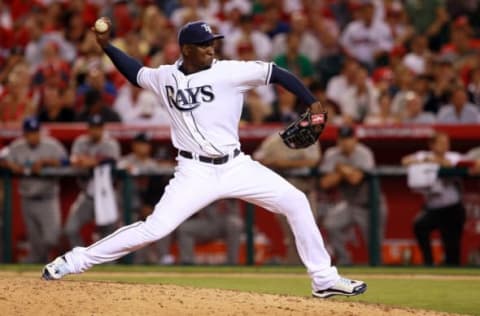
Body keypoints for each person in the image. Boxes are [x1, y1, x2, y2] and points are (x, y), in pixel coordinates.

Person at [42, 19, 366, 298]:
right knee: (154, 229)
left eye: (213, 42)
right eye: (203, 44)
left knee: (296, 201)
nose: (211, 48)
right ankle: (73, 261)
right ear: (186, 50)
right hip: (194, 170)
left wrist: (314, 103)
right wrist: (106, 46)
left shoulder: (230, 72)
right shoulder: (165, 76)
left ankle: (324, 280)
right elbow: (135, 72)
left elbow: (278, 73)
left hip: (236, 165)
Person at [319, 126, 386, 265]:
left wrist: (339, 169)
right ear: (338, 141)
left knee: (374, 243)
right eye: (342, 139)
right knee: (331, 225)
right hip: (349, 204)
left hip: (371, 206)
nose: (345, 142)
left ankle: (377, 269)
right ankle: (344, 260)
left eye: (349, 139)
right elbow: (325, 183)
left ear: (355, 139)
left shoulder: (364, 153)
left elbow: (355, 179)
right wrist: (346, 172)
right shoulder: (332, 154)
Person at [4, 117, 68, 262]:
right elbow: (2, 158)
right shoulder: (17, 147)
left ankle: (58, 261)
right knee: (35, 241)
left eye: (36, 132)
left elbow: (66, 161)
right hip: (28, 199)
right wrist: (11, 165)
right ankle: (39, 274)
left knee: (52, 237)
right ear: (25, 134)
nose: (33, 135)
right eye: (30, 132)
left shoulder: (51, 145)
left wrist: (46, 162)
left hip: (48, 198)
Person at [253, 128, 321, 264]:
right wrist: (275, 162)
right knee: (291, 235)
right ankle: (294, 265)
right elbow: (258, 158)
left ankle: (314, 266)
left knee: (307, 232)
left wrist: (286, 163)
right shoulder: (275, 139)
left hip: (305, 191)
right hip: (284, 192)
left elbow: (314, 160)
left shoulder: (310, 136)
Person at [401, 132, 466, 266]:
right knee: (420, 226)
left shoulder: (453, 156)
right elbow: (405, 161)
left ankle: (452, 273)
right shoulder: (424, 155)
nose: (445, 146)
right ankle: (428, 262)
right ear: (432, 145)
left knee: (451, 248)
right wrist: (425, 160)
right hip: (433, 208)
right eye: (441, 143)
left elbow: (454, 164)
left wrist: (436, 161)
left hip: (452, 208)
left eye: (447, 143)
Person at [64, 114, 121, 247]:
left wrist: (89, 161)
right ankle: (81, 259)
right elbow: (74, 160)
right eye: (93, 128)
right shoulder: (81, 142)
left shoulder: (111, 144)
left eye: (98, 128)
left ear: (103, 129)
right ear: (88, 129)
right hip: (87, 196)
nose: (95, 131)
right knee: (70, 228)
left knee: (109, 235)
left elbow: (110, 161)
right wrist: (93, 161)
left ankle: (108, 266)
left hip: (107, 196)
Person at [117, 132, 173, 264]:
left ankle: (162, 259)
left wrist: (150, 206)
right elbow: (118, 168)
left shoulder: (153, 164)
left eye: (147, 144)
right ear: (134, 145)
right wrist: (127, 170)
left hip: (148, 208)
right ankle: (132, 262)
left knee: (163, 223)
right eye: (142, 144)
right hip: (127, 211)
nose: (145, 147)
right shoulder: (126, 161)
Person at [177, 199, 243, 265]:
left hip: (227, 220)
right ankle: (188, 263)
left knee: (234, 224)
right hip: (209, 221)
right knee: (184, 228)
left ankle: (232, 263)